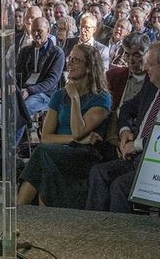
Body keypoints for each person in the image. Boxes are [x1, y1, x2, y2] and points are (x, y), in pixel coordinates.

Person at [85, 41, 160, 213]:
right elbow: (127, 107)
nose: (145, 68)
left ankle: (119, 237)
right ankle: (94, 229)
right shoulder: (152, 84)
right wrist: (125, 131)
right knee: (99, 173)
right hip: (135, 158)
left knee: (120, 187)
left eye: (150, 64)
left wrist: (135, 145)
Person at [17, 43, 112, 208]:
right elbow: (46, 137)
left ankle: (18, 211)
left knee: (43, 154)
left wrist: (75, 99)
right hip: (62, 148)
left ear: (89, 67)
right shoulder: (59, 95)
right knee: (44, 154)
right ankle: (23, 211)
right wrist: (76, 140)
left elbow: (79, 131)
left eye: (76, 60)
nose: (70, 63)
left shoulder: (102, 98)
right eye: (70, 58)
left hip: (85, 155)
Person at [106, 33, 151, 112]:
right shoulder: (113, 76)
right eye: (127, 55)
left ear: (148, 54)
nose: (131, 60)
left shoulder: (155, 81)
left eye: (136, 55)